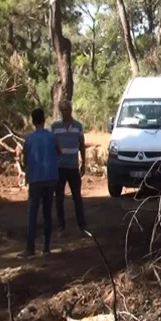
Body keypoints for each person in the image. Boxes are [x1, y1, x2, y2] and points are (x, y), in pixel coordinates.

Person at [18, 108, 59, 258]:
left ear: (33, 121)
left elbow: (25, 159)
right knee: (47, 213)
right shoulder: (52, 137)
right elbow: (58, 151)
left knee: (33, 214)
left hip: (35, 179)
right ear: (44, 120)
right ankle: (46, 248)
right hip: (50, 178)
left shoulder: (29, 139)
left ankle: (30, 249)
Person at [51, 100, 88, 235]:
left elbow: (82, 145)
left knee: (77, 197)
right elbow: (51, 145)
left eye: (67, 109)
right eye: (62, 110)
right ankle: (61, 227)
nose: (65, 112)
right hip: (59, 168)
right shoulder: (55, 127)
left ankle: (82, 226)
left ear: (71, 110)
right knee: (59, 198)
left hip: (73, 167)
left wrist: (84, 163)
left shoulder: (78, 126)